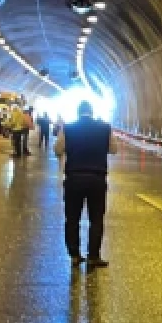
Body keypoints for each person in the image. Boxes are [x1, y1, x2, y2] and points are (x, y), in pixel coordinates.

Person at [55, 101, 117, 268]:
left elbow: (58, 149)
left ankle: (75, 254)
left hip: (74, 178)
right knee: (96, 218)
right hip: (97, 179)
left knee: (72, 218)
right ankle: (93, 256)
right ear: (91, 111)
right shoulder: (105, 127)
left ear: (78, 112)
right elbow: (114, 149)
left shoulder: (68, 128)